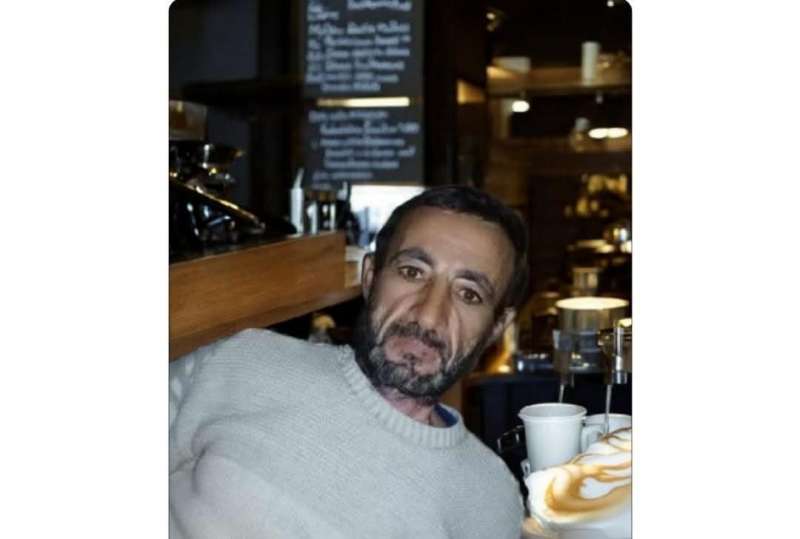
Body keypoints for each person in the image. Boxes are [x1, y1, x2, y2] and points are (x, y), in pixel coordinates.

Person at [169, 185, 529, 538]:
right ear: (370, 278)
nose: (429, 315)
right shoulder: (244, 361)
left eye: (469, 294)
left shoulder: (490, 499)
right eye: (412, 272)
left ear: (497, 327)